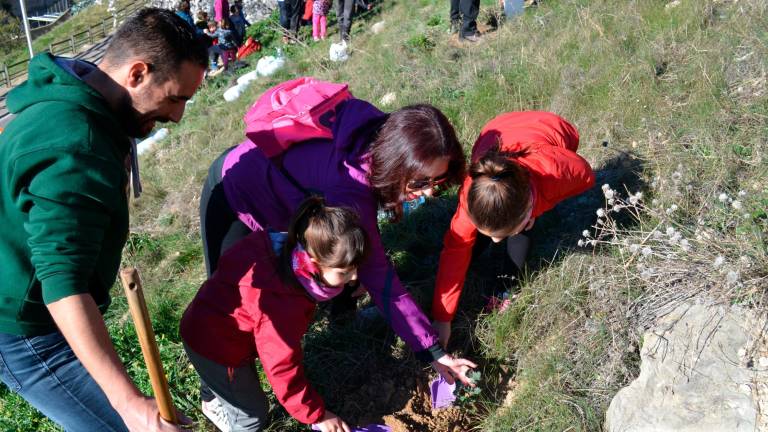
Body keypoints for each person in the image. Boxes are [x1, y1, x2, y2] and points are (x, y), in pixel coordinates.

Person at [0, 8, 207, 432]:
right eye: (175, 97)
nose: (178, 115)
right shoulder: (77, 144)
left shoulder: (68, 99)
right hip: (24, 326)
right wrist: (129, 404)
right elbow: (62, 282)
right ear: (137, 73)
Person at [198, 100, 475, 415]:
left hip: (279, 183)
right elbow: (382, 281)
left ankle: (344, 320)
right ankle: (215, 396)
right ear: (398, 162)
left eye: (436, 182)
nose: (428, 193)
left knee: (342, 253)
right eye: (421, 182)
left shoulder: (377, 135)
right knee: (224, 307)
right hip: (234, 191)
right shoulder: (350, 193)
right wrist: (432, 350)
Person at [182, 197, 372, 431]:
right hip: (216, 348)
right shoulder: (280, 305)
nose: (353, 277)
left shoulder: (286, 250)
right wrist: (317, 415)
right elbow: (282, 368)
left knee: (224, 381)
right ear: (313, 262)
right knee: (253, 416)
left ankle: (213, 394)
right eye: (345, 271)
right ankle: (223, 411)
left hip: (208, 320)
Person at [431, 111, 596, 347]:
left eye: (502, 234)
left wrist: (536, 209)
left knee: (520, 231)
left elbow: (586, 176)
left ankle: (505, 287)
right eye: (489, 234)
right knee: (467, 244)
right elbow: (455, 250)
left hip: (551, 127)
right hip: (496, 129)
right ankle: (497, 235)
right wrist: (442, 317)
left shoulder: (558, 172)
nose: (497, 242)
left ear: (528, 206)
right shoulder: (471, 191)